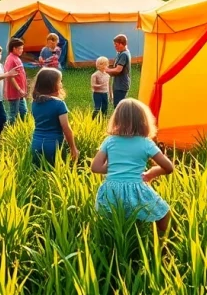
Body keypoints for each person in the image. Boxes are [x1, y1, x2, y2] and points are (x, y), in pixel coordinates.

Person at [91, 98, 175, 235]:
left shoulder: (110, 141)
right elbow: (169, 167)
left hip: (111, 190)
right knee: (164, 213)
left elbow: (95, 167)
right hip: (136, 189)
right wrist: (153, 172)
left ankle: (115, 247)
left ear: (116, 120)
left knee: (117, 224)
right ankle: (162, 245)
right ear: (144, 121)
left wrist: (115, 167)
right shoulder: (146, 144)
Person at [29, 67, 79, 167]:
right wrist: (73, 148)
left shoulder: (35, 102)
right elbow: (66, 128)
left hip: (36, 143)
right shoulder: (59, 104)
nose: (61, 84)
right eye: (59, 81)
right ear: (52, 85)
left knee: (39, 175)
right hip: (53, 145)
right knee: (54, 174)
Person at [4, 38, 29, 124]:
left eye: (22, 48)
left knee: (24, 112)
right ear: (14, 48)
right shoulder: (11, 59)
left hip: (20, 93)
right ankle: (9, 130)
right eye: (20, 48)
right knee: (13, 114)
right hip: (14, 92)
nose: (22, 50)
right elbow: (10, 77)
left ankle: (23, 128)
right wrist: (19, 89)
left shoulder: (16, 58)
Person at [105, 34, 132, 108]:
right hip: (118, 83)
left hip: (121, 85)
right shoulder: (120, 53)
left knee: (118, 106)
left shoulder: (124, 54)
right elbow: (116, 66)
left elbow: (118, 69)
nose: (115, 47)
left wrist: (107, 70)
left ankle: (120, 119)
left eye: (116, 45)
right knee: (119, 105)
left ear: (122, 44)